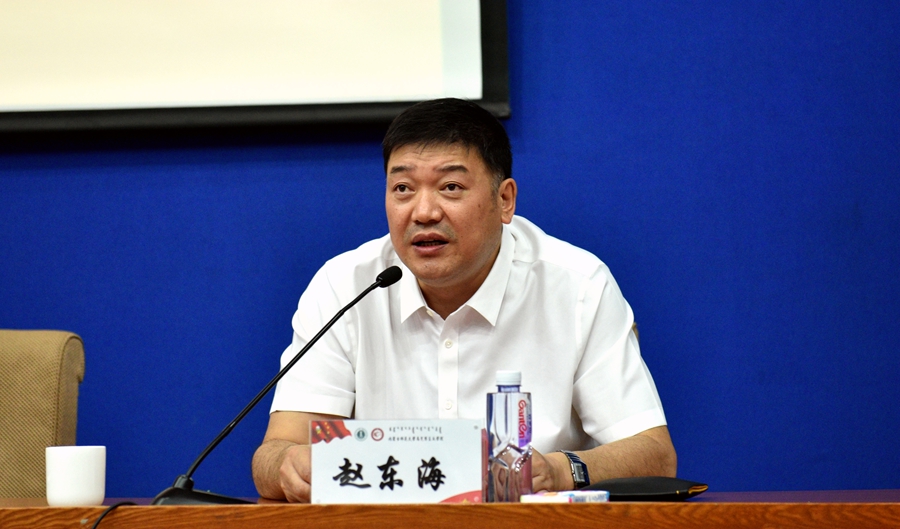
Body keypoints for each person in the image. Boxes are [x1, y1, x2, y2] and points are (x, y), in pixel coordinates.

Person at [252, 98, 676, 502]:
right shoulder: (345, 286)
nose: (423, 212)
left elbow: (654, 455)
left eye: (450, 187)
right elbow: (277, 451)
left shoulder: (577, 287)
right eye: (402, 188)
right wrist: (289, 466)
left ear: (504, 200)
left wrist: (558, 470)